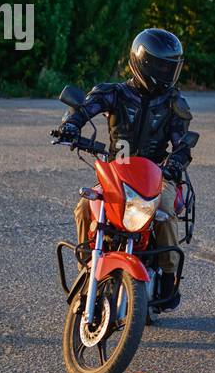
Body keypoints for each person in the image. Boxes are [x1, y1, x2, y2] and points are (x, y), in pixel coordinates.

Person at [59, 28, 195, 312]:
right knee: (85, 205)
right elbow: (86, 107)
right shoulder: (115, 93)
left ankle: (169, 277)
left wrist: (176, 161)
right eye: (160, 65)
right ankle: (89, 260)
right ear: (142, 62)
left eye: (171, 66)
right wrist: (71, 125)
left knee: (165, 211)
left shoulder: (172, 102)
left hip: (156, 175)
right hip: (117, 172)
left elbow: (182, 140)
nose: (166, 72)